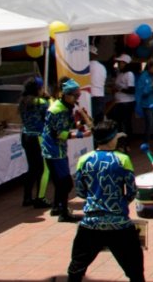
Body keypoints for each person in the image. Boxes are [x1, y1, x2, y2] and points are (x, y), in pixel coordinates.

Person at [66, 120, 143, 282]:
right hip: (120, 224)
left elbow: (80, 191)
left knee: (76, 269)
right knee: (135, 271)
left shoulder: (84, 160)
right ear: (111, 138)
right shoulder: (122, 159)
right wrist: (118, 204)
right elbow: (131, 191)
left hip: (91, 224)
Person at [42, 78, 89, 221]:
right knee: (65, 183)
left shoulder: (66, 107)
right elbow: (58, 133)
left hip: (60, 149)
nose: (77, 99)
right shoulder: (57, 109)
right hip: (54, 151)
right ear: (66, 95)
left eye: (78, 96)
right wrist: (81, 134)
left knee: (60, 182)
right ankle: (63, 213)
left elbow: (68, 125)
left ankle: (57, 207)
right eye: (75, 96)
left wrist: (81, 121)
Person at [18, 77, 49, 208]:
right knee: (44, 169)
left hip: (25, 136)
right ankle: (40, 198)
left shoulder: (23, 102)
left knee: (32, 168)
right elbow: (48, 117)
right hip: (38, 137)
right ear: (38, 89)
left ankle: (27, 197)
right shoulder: (41, 102)